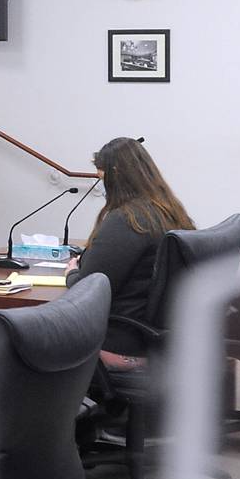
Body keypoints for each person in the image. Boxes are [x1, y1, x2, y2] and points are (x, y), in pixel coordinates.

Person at [66, 137, 195, 371]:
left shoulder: (129, 219)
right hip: (161, 339)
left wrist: (71, 273)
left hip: (121, 342)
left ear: (115, 175)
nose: (103, 188)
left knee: (27, 344)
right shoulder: (170, 212)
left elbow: (86, 291)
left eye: (102, 178)